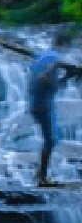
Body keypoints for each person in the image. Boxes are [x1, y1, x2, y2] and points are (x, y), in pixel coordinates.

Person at [28, 44, 80, 185]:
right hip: (41, 107)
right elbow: (45, 79)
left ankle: (40, 174)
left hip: (42, 107)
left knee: (52, 139)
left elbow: (53, 85)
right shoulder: (48, 66)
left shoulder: (46, 66)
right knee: (50, 139)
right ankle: (41, 177)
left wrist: (68, 76)